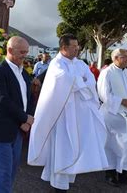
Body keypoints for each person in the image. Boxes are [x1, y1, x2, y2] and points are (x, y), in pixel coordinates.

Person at [28, 34, 108, 192]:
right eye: (74, 47)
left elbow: (90, 80)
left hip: (77, 113)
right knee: (62, 147)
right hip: (61, 114)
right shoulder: (56, 64)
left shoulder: (79, 63)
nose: (77, 49)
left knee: (74, 146)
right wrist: (80, 82)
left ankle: (66, 175)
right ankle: (58, 184)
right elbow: (64, 79)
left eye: (77, 46)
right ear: (63, 48)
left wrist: (79, 82)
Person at [0, 36, 34, 193]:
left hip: (18, 130)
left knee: (11, 171)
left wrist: (28, 118)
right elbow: (2, 100)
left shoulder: (24, 73)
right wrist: (24, 118)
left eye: (26, 51)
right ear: (10, 50)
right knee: (4, 173)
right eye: (22, 52)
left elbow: (29, 98)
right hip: (1, 129)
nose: (25, 55)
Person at [97, 49, 127, 187]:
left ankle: (125, 173)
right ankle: (110, 174)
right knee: (112, 145)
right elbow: (103, 94)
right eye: (124, 57)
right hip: (112, 114)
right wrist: (122, 101)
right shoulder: (107, 73)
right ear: (115, 58)